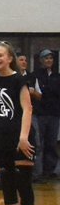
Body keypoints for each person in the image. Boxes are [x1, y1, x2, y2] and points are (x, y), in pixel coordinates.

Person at [0, 42, 36, 205]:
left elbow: (27, 108)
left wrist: (23, 137)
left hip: (20, 139)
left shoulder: (19, 80)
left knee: (23, 183)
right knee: (7, 182)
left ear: (9, 58)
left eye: (0, 55)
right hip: (1, 139)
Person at [29, 49, 59, 181]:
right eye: (46, 58)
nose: (48, 61)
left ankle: (50, 170)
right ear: (41, 60)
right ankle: (38, 171)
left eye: (51, 58)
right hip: (40, 114)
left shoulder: (57, 76)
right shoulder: (35, 75)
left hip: (54, 114)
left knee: (51, 143)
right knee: (39, 143)